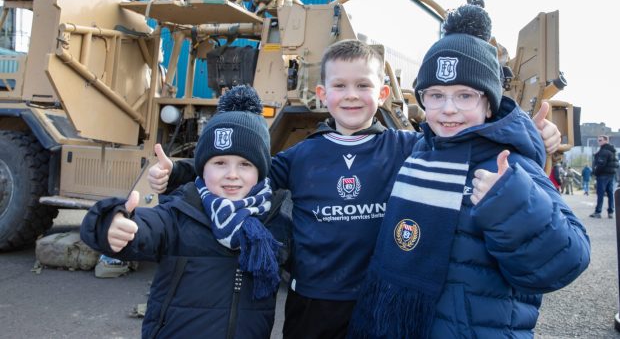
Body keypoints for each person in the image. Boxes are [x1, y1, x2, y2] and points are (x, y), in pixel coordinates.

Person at [147, 40, 561, 338]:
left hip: (376, 298)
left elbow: (463, 142)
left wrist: (531, 133)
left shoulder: (407, 147)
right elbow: (243, 175)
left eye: (363, 86)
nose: (352, 96)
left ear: (381, 94)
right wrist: (181, 173)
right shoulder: (301, 156)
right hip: (313, 299)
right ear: (322, 95)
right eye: (340, 87)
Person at [348, 4, 590, 339]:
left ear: (489, 103)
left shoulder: (508, 165)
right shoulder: (419, 152)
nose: (448, 109)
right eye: (436, 95)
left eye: (465, 95)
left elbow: (566, 261)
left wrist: (511, 203)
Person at [80, 86, 286, 338]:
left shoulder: (274, 220)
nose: (232, 174)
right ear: (201, 168)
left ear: (261, 171)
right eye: (219, 162)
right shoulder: (180, 212)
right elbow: (148, 227)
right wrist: (111, 224)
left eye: (245, 164)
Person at [590, 135, 619, 218]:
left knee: (600, 194)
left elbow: (601, 164)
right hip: (611, 175)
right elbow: (616, 164)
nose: (598, 142)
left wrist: (595, 172)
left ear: (606, 141)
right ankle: (610, 212)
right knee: (610, 194)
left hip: (603, 175)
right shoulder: (613, 151)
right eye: (598, 140)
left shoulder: (604, 151)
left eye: (600, 140)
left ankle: (598, 212)